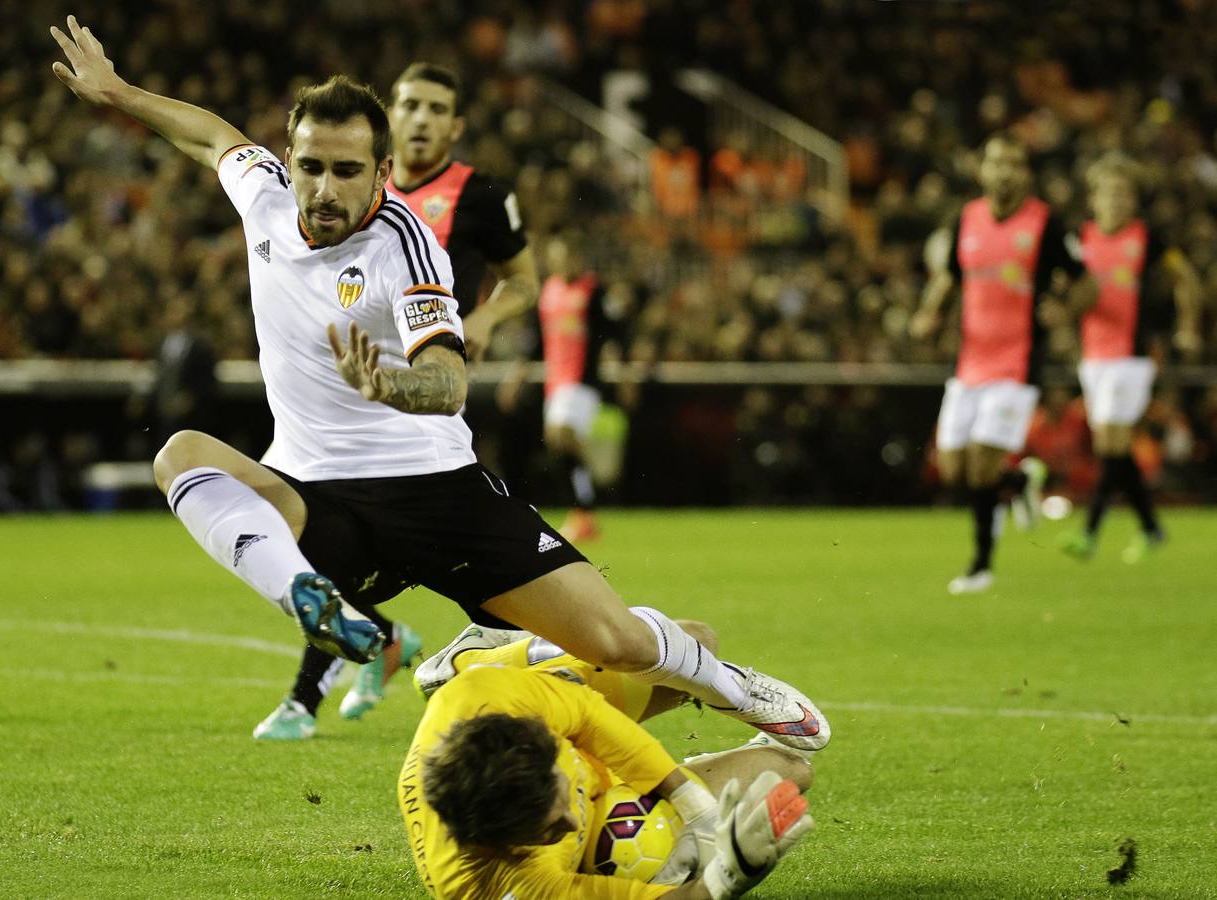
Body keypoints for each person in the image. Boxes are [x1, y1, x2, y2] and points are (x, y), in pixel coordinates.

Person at [49, 17, 829, 755]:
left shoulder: (403, 245)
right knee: (183, 455)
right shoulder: (263, 194)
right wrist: (118, 95)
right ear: (287, 160)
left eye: (347, 171)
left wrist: (389, 382)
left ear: (382, 174)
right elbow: (210, 133)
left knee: (619, 644)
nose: (323, 189)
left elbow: (449, 380)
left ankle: (727, 685)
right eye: (310, 166)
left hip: (436, 493)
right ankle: (339, 622)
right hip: (319, 500)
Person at [257, 61, 541, 739]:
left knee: (388, 535)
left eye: (437, 109)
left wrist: (485, 322)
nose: (422, 118)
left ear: (455, 126)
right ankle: (355, 661)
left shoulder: (477, 195)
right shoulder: (342, 189)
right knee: (325, 538)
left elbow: (524, 280)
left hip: (423, 385)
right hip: (343, 389)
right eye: (411, 103)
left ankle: (478, 637)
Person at [401, 622, 814, 899]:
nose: (570, 822)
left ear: (540, 740)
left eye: (561, 805)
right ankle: (651, 814)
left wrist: (693, 803)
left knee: (690, 643)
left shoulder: (485, 697)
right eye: (549, 829)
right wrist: (723, 879)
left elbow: (589, 717)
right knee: (791, 770)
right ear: (502, 846)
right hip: (593, 811)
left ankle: (468, 659)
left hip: (507, 693)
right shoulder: (517, 882)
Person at [910, 132, 1095, 595]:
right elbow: (949, 279)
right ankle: (1022, 479)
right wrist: (929, 314)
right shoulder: (967, 218)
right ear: (982, 170)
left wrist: (1065, 312)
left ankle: (980, 565)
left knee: (980, 468)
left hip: (1016, 364)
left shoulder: (1044, 224)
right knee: (953, 469)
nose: (1004, 172)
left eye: (1013, 163)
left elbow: (1086, 284)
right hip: (969, 362)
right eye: (996, 163)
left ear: (1025, 173)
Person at [1059, 152, 1202, 563]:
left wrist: (1188, 326)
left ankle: (1089, 533)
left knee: (1111, 444)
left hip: (1132, 357)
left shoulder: (1146, 238)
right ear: (1095, 198)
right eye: (1111, 193)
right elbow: (1067, 290)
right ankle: (1152, 527)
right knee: (1115, 452)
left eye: (1126, 194)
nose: (1119, 201)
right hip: (1094, 357)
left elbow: (1186, 280)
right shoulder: (1080, 238)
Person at [537, 231, 626, 543]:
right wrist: (521, 370)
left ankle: (584, 507)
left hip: (583, 380)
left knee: (561, 435)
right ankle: (584, 509)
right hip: (555, 382)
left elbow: (615, 331)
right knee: (559, 444)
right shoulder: (549, 290)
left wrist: (620, 364)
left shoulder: (593, 290)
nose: (559, 262)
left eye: (564, 256)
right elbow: (540, 338)